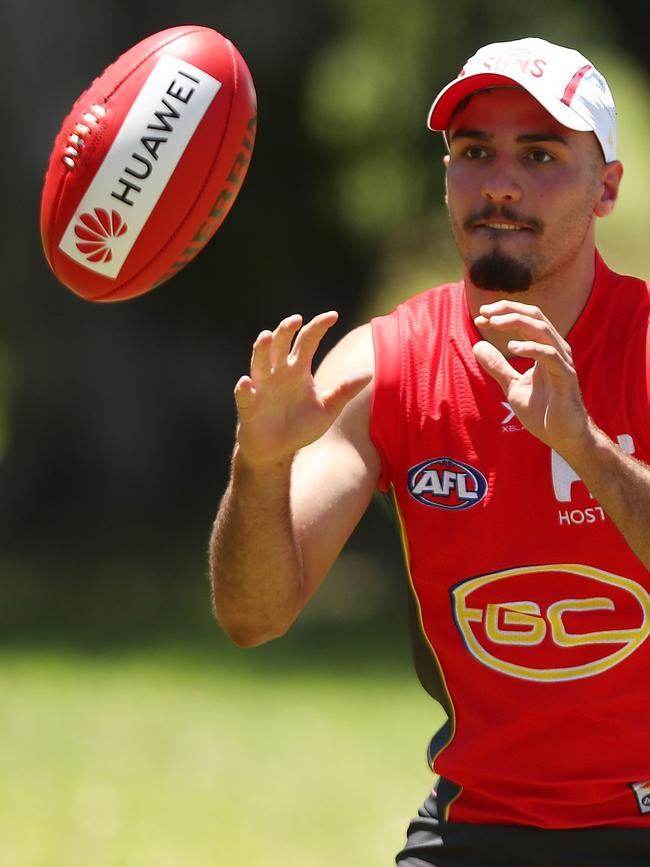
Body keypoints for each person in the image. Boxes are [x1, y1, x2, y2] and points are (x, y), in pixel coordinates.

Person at [210, 36, 650, 866]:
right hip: (477, 820)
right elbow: (253, 616)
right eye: (473, 151)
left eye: (542, 153)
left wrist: (585, 447)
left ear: (608, 187)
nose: (502, 182)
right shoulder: (380, 367)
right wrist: (258, 468)